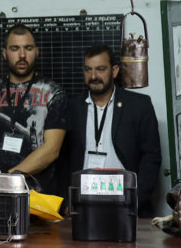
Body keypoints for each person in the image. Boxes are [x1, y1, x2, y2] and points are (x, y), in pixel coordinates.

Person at [62, 44, 162, 216]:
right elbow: (62, 160)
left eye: (100, 69)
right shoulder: (72, 108)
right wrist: (66, 201)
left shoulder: (139, 105)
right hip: (82, 203)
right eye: (88, 70)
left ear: (114, 71)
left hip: (124, 202)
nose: (93, 76)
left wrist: (135, 201)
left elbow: (151, 157)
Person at [0, 23, 67, 193]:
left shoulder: (53, 92)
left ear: (36, 51)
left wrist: (9, 179)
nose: (22, 55)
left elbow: (52, 149)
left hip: (40, 194)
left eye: (28, 48)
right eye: (15, 48)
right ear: (4, 53)